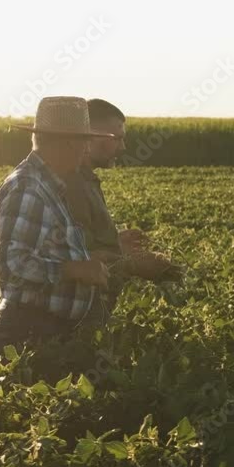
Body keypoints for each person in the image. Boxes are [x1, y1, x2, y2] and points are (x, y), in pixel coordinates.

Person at [0, 96, 117, 361]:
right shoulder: (28, 187)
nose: (86, 150)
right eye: (85, 142)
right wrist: (75, 269)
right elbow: (12, 265)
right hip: (29, 331)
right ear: (69, 143)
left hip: (44, 327)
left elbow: (46, 251)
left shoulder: (48, 185)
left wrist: (89, 260)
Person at [63, 98, 182, 315]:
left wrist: (115, 241)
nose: (123, 147)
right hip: (73, 316)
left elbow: (80, 243)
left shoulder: (87, 180)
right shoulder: (72, 184)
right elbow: (74, 261)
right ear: (89, 137)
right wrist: (134, 264)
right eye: (117, 138)